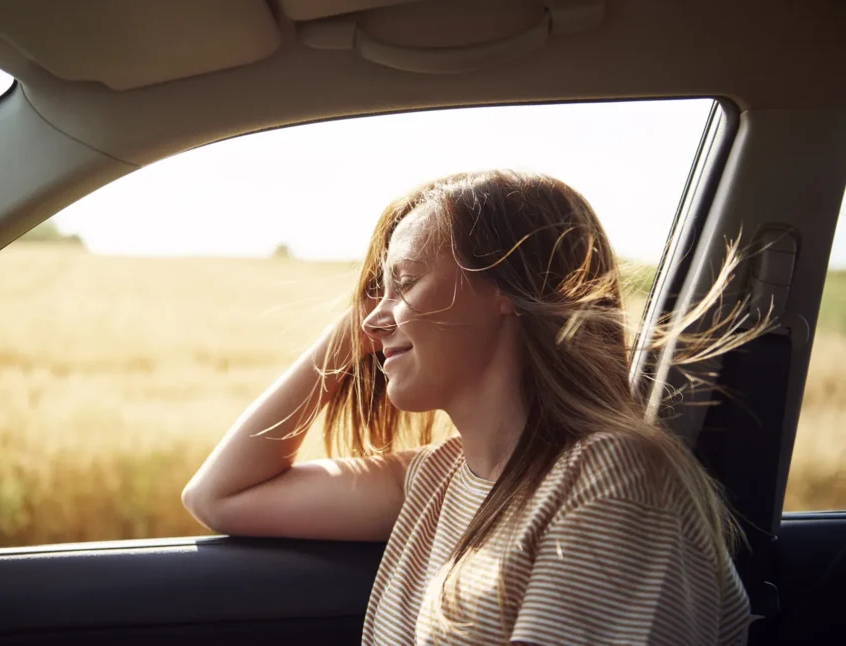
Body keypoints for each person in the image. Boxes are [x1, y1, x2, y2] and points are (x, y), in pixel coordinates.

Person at [183, 170, 766, 645]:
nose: (372, 319)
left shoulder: (613, 478)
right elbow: (218, 497)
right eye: (375, 293)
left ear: (509, 290)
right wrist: (361, 327)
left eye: (406, 281)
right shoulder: (437, 478)